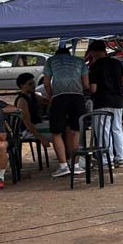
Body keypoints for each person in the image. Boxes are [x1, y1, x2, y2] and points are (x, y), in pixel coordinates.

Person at [42, 46, 90, 178]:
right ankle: (75, 165)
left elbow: (46, 83)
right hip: (77, 97)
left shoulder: (51, 61)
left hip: (59, 97)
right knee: (75, 130)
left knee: (57, 133)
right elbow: (86, 84)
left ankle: (63, 166)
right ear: (69, 54)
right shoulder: (79, 61)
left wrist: (51, 96)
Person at [86, 40, 123, 168]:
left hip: (102, 101)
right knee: (116, 128)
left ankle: (107, 160)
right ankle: (122, 157)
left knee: (103, 131)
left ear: (95, 52)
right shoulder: (116, 62)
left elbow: (93, 88)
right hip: (117, 100)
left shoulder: (95, 66)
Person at [14, 72, 50, 147]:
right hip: (28, 131)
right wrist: (41, 138)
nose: (33, 86)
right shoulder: (22, 100)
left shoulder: (33, 95)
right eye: (30, 84)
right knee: (58, 132)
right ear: (22, 86)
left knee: (63, 127)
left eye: (33, 83)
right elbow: (27, 123)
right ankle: (65, 156)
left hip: (39, 124)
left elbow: (48, 102)